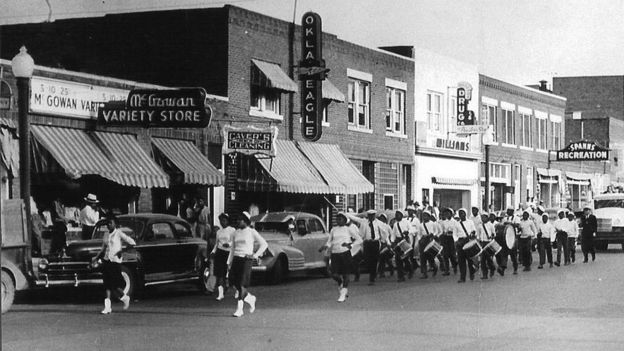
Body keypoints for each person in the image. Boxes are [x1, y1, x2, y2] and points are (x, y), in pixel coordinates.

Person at [227, 211, 268, 317]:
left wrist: (254, 255)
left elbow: (264, 244)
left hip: (246, 260)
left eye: (239, 220)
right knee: (233, 282)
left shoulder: (252, 232)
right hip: (236, 259)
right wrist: (229, 262)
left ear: (245, 221)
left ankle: (239, 309)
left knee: (241, 284)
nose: (237, 221)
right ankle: (250, 298)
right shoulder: (235, 233)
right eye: (237, 220)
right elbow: (232, 248)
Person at [93, 216, 136, 314]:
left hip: (115, 261)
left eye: (110, 223)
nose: (109, 225)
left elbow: (132, 242)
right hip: (107, 261)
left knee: (115, 285)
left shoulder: (118, 233)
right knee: (107, 285)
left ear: (115, 224)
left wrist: (122, 251)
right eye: (107, 223)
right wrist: (96, 258)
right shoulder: (106, 234)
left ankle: (125, 298)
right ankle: (107, 307)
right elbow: (103, 249)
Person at [319, 212, 362, 302]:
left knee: (346, 274)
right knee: (334, 274)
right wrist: (325, 246)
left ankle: (343, 294)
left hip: (345, 253)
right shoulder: (333, 229)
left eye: (340, 219)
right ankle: (340, 282)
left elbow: (359, 240)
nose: (338, 220)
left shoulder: (348, 229)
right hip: (335, 254)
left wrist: (350, 245)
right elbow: (330, 241)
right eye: (337, 219)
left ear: (345, 220)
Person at [345, 209, 387, 285]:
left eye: (373, 215)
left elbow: (384, 232)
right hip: (367, 243)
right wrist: (346, 214)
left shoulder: (379, 223)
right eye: (370, 216)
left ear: (374, 216)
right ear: (368, 216)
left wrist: (384, 242)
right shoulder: (364, 222)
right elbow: (355, 218)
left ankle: (372, 278)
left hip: (375, 243)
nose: (371, 217)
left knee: (374, 260)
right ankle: (372, 273)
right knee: (367, 260)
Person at [210, 213, 235, 301]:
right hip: (220, 252)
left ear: (227, 221)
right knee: (219, 273)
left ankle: (230, 287)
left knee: (227, 272)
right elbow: (216, 244)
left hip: (228, 252)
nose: (222, 222)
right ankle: (220, 294)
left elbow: (234, 242)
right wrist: (213, 252)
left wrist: (229, 244)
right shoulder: (218, 232)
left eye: (224, 220)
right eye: (221, 221)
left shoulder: (232, 230)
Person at [391, 210, 413, 282]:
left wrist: (408, 232)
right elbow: (393, 234)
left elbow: (412, 230)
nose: (396, 216)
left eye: (398, 214)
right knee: (398, 259)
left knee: (405, 258)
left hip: (405, 240)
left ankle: (410, 270)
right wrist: (392, 242)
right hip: (398, 241)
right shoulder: (395, 224)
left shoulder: (406, 222)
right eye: (396, 215)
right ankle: (400, 276)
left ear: (401, 215)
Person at [455, 208, 477, 283]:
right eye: (460, 213)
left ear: (465, 214)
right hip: (460, 241)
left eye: (462, 213)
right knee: (461, 260)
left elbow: (474, 230)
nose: (461, 215)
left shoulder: (470, 222)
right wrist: (456, 241)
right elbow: (454, 234)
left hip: (468, 241)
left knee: (470, 259)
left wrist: (472, 234)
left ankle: (472, 272)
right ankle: (462, 277)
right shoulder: (457, 223)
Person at [418, 210, 439, 279]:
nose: (424, 217)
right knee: (422, 257)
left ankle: (434, 267)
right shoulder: (421, 225)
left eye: (426, 216)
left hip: (430, 240)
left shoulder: (433, 223)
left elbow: (436, 231)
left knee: (430, 256)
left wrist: (433, 235)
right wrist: (420, 239)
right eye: (423, 216)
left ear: (429, 217)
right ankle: (424, 273)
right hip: (423, 241)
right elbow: (419, 234)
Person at [476, 212, 497, 279]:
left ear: (487, 218)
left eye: (484, 217)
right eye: (482, 217)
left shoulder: (490, 225)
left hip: (489, 243)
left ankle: (492, 268)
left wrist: (492, 236)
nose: (483, 219)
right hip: (482, 243)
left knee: (489, 259)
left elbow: (494, 233)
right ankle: (485, 274)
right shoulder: (479, 226)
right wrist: (479, 240)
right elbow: (478, 235)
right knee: (482, 260)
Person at [501, 207, 520, 275]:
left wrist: (511, 224)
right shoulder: (505, 219)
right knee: (504, 254)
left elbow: (518, 225)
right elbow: (502, 226)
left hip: (514, 238)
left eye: (510, 211)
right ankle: (502, 268)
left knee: (513, 255)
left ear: (513, 211)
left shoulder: (516, 218)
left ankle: (515, 268)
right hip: (506, 238)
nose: (508, 212)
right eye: (508, 211)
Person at [438, 208, 458, 275]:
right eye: (445, 213)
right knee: (445, 255)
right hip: (445, 238)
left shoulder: (455, 222)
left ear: (451, 214)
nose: (447, 214)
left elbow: (456, 231)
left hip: (452, 238)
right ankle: (447, 270)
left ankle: (455, 266)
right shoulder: (444, 222)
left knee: (452, 255)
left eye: (448, 213)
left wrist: (452, 232)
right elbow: (442, 230)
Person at [376, 213, 394, 278]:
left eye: (382, 218)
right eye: (380, 218)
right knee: (383, 259)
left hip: (386, 244)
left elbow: (392, 234)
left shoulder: (387, 226)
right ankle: (385, 270)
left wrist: (390, 242)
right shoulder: (377, 226)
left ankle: (382, 272)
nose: (381, 219)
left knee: (383, 258)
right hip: (380, 243)